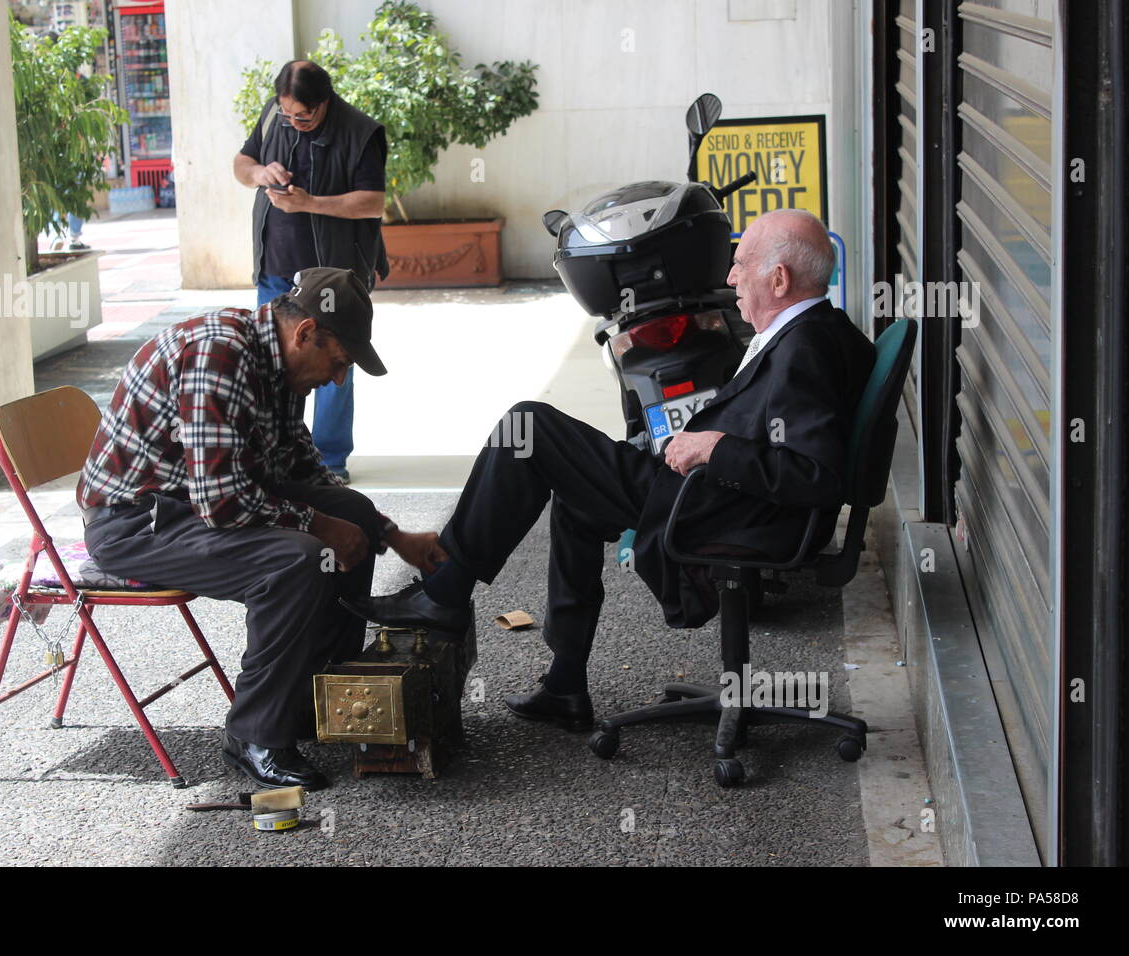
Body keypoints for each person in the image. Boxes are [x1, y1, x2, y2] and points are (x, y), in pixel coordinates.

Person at [344, 210, 875, 732]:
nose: (730, 276)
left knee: (529, 426)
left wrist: (713, 447)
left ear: (778, 279)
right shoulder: (818, 331)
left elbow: (814, 474)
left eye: (741, 264)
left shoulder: (804, 347)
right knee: (575, 499)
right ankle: (565, 684)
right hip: (715, 495)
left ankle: (445, 591)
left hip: (717, 507)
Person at [77, 267, 445, 791]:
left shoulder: (280, 363)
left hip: (194, 503)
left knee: (354, 514)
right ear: (305, 333)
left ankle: (319, 701)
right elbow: (222, 502)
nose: (338, 379)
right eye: (338, 363)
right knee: (294, 561)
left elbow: (298, 462)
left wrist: (388, 532)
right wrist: (319, 526)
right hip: (138, 522)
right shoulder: (218, 355)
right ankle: (255, 733)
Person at [234, 60, 389, 481]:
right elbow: (241, 163)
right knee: (271, 362)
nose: (293, 122)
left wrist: (311, 203)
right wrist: (259, 172)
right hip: (275, 267)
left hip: (333, 276)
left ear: (325, 103)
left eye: (302, 115)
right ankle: (276, 454)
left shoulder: (359, 133)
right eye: (287, 114)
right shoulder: (274, 116)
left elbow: (373, 202)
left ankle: (330, 459)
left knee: (334, 359)